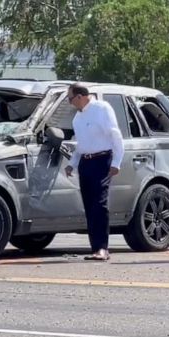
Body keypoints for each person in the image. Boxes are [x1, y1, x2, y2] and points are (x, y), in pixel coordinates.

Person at [64, 83, 124, 261]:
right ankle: (95, 247)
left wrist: (116, 162)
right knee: (89, 205)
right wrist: (72, 164)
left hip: (102, 160)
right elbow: (80, 144)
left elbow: (116, 136)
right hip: (86, 162)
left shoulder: (102, 109)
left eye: (70, 98)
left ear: (80, 96)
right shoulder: (77, 118)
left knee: (99, 203)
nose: (70, 102)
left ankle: (102, 248)